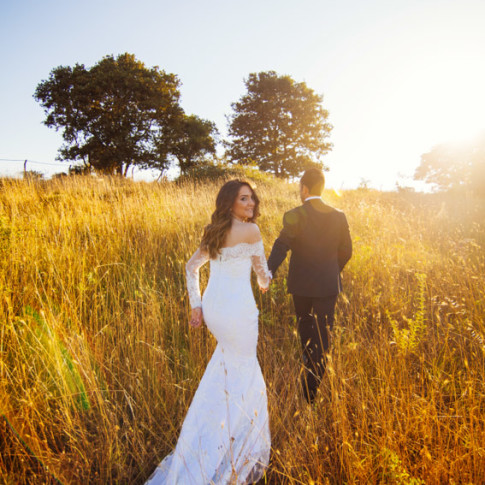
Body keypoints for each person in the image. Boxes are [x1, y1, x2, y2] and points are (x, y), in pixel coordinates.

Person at [146, 180, 272, 484]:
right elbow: (262, 275)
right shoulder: (252, 232)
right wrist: (268, 279)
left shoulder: (213, 232)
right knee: (245, 372)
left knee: (228, 368)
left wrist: (197, 306)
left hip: (214, 310)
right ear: (230, 202)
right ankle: (237, 450)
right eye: (244, 199)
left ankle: (217, 434)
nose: (251, 204)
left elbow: (191, 268)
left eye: (252, 198)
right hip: (238, 312)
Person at [267, 168, 352, 403]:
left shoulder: (294, 214)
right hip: (327, 285)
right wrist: (332, 270)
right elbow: (347, 251)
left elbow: (281, 245)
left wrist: (268, 271)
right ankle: (311, 390)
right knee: (324, 338)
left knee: (305, 327)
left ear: (304, 189)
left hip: (301, 286)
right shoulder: (339, 215)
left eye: (299, 189)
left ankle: (307, 376)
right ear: (321, 187)